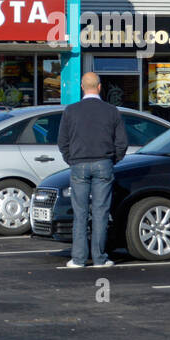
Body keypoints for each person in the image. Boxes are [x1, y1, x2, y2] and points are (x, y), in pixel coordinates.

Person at [57, 72, 128, 268]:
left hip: (78, 164)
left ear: (82, 87)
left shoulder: (71, 111)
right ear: (99, 87)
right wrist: (112, 160)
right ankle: (99, 258)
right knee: (100, 212)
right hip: (103, 163)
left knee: (80, 213)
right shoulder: (112, 111)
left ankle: (79, 259)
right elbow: (122, 142)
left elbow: (62, 141)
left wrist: (71, 160)